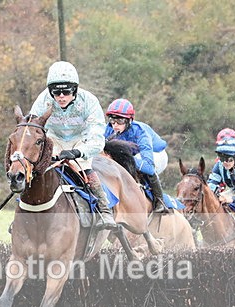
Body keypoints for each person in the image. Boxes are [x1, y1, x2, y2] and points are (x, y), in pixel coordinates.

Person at [28, 61, 116, 229]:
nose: (61, 96)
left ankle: (104, 210)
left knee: (83, 166)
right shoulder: (43, 100)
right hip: (53, 139)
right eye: (56, 92)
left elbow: (97, 139)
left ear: (74, 90)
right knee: (36, 169)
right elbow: (32, 129)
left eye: (66, 91)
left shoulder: (89, 101)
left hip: (81, 140)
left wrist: (78, 152)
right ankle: (24, 209)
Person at [104, 98, 168, 213]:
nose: (115, 125)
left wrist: (123, 158)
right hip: (132, 153)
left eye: (120, 121)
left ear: (129, 120)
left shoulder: (141, 132)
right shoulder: (108, 129)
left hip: (156, 154)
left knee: (144, 168)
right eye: (112, 121)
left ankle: (160, 201)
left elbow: (149, 167)